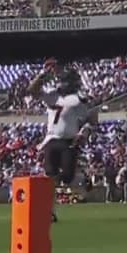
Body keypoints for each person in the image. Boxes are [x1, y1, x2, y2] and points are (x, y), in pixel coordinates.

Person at [27, 61, 96, 224]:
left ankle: (81, 176)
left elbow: (92, 118)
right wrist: (41, 75)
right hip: (52, 140)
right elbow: (31, 90)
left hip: (69, 141)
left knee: (66, 177)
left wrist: (84, 131)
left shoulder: (77, 99)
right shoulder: (53, 94)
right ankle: (49, 212)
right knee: (50, 177)